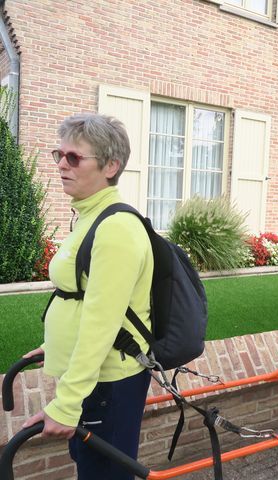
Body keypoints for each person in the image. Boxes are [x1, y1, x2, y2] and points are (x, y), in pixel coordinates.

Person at [21, 114, 153, 479]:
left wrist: (65, 405)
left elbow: (102, 323)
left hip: (108, 385)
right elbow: (84, 302)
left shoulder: (116, 229)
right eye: (58, 154)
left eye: (74, 157)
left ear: (111, 166)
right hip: (95, 382)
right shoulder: (90, 218)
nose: (61, 164)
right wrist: (56, 345)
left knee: (104, 475)